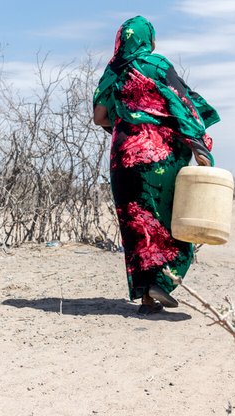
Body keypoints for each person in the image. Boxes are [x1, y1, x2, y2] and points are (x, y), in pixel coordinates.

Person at [92, 16, 219, 315]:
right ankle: (163, 280)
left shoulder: (112, 72)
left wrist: (128, 121)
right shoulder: (156, 65)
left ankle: (148, 295)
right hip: (158, 156)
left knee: (137, 223)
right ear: (148, 40)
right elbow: (183, 105)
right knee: (169, 218)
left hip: (123, 156)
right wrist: (199, 146)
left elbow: (99, 117)